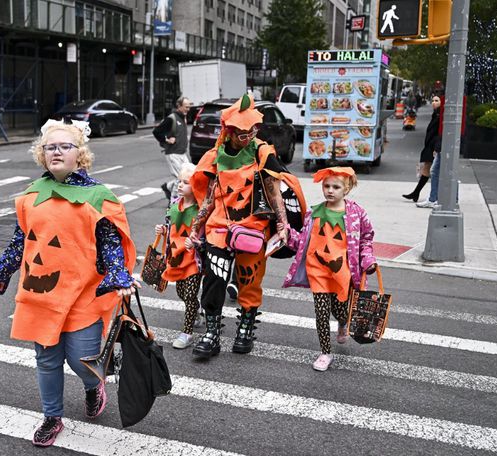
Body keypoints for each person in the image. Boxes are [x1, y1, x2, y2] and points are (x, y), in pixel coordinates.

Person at [0, 118, 139, 447]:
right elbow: (21, 242)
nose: (56, 151)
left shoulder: (97, 196)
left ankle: (94, 386)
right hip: (41, 292)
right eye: (49, 147)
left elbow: (110, 246)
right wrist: (2, 270)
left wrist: (118, 273)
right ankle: (52, 417)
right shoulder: (30, 196)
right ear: (41, 154)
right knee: (47, 359)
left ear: (79, 154)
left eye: (64, 146)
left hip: (84, 294)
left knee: (83, 361)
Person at [189, 94, 289, 359]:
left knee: (249, 280)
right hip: (219, 228)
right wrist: (195, 227)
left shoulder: (262, 152)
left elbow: (274, 190)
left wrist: (283, 224)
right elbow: (210, 196)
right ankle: (212, 332)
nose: (249, 135)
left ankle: (245, 328)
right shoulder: (215, 156)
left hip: (252, 228)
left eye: (253, 129)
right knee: (214, 280)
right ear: (229, 131)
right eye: (243, 132)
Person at [283, 167, 377, 372]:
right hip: (317, 270)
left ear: (347, 189)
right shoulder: (313, 213)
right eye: (327, 186)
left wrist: (368, 260)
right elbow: (301, 241)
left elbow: (366, 240)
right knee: (321, 312)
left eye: (336, 187)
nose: (330, 190)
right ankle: (325, 352)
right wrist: (287, 233)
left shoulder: (356, 214)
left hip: (343, 272)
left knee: (341, 311)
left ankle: (343, 323)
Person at [154, 162, 204, 349]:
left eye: (186, 182)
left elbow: (208, 234)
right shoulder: (175, 205)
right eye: (179, 181)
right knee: (182, 293)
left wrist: (198, 243)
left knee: (190, 295)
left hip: (193, 259)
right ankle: (196, 312)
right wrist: (163, 229)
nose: (180, 185)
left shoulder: (201, 209)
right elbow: (170, 226)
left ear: (196, 185)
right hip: (176, 258)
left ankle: (187, 333)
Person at [402, 95, 442, 202]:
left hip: (434, 145)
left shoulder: (440, 115)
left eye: (437, 101)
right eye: (433, 100)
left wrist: (436, 148)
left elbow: (439, 133)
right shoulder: (436, 114)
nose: (434, 102)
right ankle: (416, 193)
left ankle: (424, 195)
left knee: (431, 170)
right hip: (430, 144)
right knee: (426, 168)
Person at [153, 96, 192, 201]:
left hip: (182, 154)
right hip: (173, 153)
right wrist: (166, 139)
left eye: (189, 107)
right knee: (181, 179)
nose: (188, 109)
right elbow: (156, 132)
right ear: (179, 106)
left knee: (188, 176)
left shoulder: (183, 116)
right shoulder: (172, 118)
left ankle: (168, 187)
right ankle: (174, 203)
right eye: (186, 107)